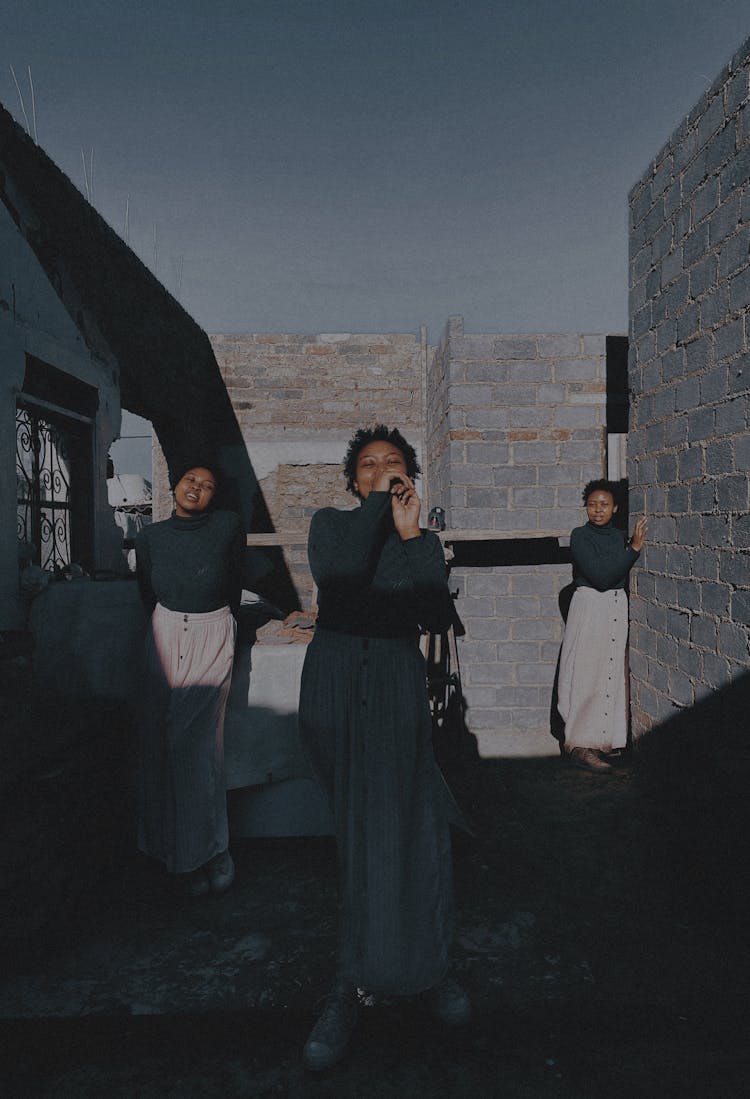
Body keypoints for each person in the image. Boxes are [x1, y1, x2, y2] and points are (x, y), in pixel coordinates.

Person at [298, 425, 471, 1072]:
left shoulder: (415, 538)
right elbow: (340, 571)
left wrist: (409, 533)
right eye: (367, 464)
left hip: (396, 678)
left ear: (410, 476)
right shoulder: (329, 523)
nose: (379, 471)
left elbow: (432, 613)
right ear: (351, 480)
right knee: (357, 838)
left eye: (392, 463)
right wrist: (377, 508)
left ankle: (428, 970)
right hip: (338, 678)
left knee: (415, 824)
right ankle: (350, 986)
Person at [135, 461, 244, 895]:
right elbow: (147, 592)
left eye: (207, 485)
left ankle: (210, 852)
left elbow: (234, 580)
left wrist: (219, 626)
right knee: (158, 743)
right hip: (162, 633)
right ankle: (167, 850)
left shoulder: (228, 527)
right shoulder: (149, 538)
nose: (196, 488)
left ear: (217, 495)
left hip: (212, 630)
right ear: (174, 484)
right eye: (190, 480)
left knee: (195, 747)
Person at [557, 479, 647, 773]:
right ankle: (581, 746)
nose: (597, 510)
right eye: (592, 504)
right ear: (586, 507)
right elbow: (601, 576)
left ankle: (605, 741)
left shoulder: (619, 536)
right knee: (586, 672)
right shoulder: (580, 536)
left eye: (604, 505)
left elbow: (614, 577)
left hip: (615, 607)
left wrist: (628, 546)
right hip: (590, 606)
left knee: (609, 672)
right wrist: (633, 549)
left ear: (615, 508)